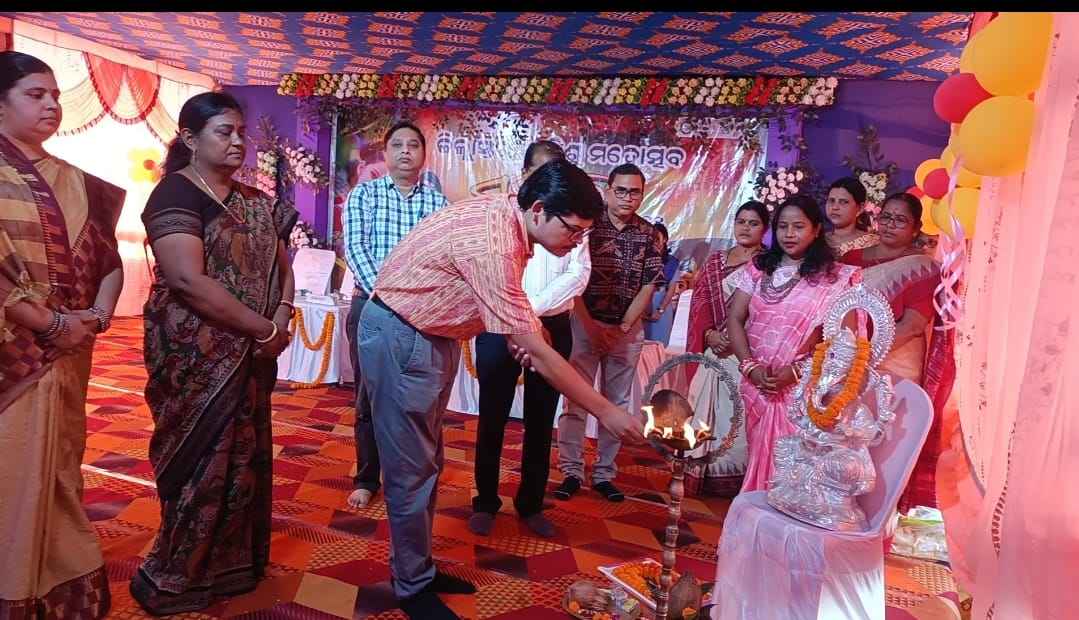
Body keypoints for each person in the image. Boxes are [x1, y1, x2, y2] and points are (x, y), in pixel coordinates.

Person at [358, 159, 645, 619]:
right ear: (538, 210)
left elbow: (517, 321)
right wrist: (606, 411)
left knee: (426, 464)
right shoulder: (493, 240)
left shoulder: (508, 219)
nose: (577, 242)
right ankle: (411, 588)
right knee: (411, 470)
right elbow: (540, 353)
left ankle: (417, 571)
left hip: (429, 335)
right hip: (402, 335)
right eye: (573, 230)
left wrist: (522, 332)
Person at [131, 92, 297, 615]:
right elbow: (186, 279)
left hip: (250, 354)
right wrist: (263, 329)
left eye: (241, 132)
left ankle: (230, 565)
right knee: (198, 462)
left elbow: (283, 267)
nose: (238, 142)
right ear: (190, 138)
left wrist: (282, 314)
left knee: (244, 457)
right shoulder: (175, 193)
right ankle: (176, 574)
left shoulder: (256, 200)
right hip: (194, 356)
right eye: (224, 132)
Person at [0, 50, 124, 619]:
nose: (52, 104)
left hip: (71, 353)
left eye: (55, 94)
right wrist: (49, 324)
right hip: (14, 359)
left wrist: (95, 317)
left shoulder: (80, 183)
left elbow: (109, 262)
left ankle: (55, 589)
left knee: (60, 470)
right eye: (36, 94)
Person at [469, 141, 590, 540]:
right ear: (525, 175)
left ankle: (531, 503)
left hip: (552, 325)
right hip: (498, 324)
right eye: (541, 171)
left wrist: (529, 315)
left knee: (541, 420)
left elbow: (578, 275)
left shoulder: (574, 216)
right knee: (492, 415)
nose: (550, 179)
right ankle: (485, 501)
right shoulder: (505, 216)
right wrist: (516, 320)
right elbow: (493, 275)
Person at [342, 120, 447, 510]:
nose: (406, 151)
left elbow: (442, 259)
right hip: (371, 307)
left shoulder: (438, 204)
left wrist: (418, 302)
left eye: (413, 145)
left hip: (423, 314)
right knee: (369, 398)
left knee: (417, 400)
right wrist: (389, 298)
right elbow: (356, 249)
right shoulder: (364, 194)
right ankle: (367, 478)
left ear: (423, 154)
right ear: (385, 154)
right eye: (398, 145)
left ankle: (408, 476)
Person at [727, 195, 861, 493]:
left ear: (816, 229)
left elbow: (844, 342)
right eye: (782, 226)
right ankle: (755, 511)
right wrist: (749, 367)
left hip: (800, 389)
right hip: (756, 382)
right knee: (757, 453)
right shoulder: (758, 268)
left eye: (798, 227)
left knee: (792, 468)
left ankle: (780, 515)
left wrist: (797, 372)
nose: (789, 234)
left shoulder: (834, 278)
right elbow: (735, 318)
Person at [555, 163, 664, 504]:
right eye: (621, 190)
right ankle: (571, 471)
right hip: (583, 324)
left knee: (616, 404)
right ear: (608, 190)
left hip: (626, 331)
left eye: (635, 192)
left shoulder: (650, 234)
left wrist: (623, 327)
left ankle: (604, 474)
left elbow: (649, 284)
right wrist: (590, 327)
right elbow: (573, 281)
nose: (627, 198)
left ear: (642, 195)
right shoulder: (587, 228)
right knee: (576, 401)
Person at [841, 192, 955, 511]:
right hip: (847, 357)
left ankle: (878, 512)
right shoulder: (851, 258)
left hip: (895, 362)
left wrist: (866, 357)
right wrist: (848, 356)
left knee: (884, 440)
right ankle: (836, 503)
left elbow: (913, 325)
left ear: (916, 228)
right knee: (843, 434)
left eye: (900, 220)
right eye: (886, 217)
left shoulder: (923, 267)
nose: (890, 225)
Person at [682, 200, 770, 496]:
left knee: (736, 413)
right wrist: (708, 334)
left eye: (753, 223)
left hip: (745, 353)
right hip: (713, 350)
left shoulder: (768, 265)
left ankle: (734, 478)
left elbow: (767, 312)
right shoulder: (715, 261)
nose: (745, 228)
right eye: (741, 221)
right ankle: (702, 474)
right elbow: (700, 303)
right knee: (703, 410)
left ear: (764, 229)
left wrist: (735, 339)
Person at [643, 222, 684, 345]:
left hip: (662, 308)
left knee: (659, 345)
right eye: (651, 239)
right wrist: (641, 310)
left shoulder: (672, 262)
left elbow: (671, 289)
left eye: (657, 239)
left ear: (665, 239)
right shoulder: (642, 259)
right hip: (641, 307)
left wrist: (660, 310)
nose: (654, 242)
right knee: (641, 347)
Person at [824, 176, 879, 257]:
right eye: (831, 201)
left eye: (843, 202)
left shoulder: (872, 243)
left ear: (860, 208)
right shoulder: (817, 239)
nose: (835, 207)